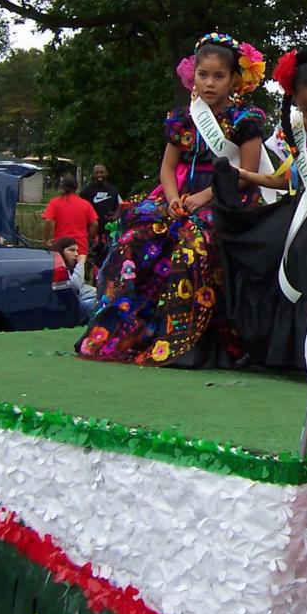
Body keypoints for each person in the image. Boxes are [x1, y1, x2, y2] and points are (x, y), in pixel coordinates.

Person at [77, 33, 268, 367]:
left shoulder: (244, 120)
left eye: (218, 76)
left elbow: (246, 173)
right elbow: (167, 167)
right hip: (180, 196)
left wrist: (205, 197)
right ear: (192, 75)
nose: (209, 83)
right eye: (203, 75)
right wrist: (172, 199)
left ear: (234, 79)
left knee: (193, 242)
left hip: (226, 200)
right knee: (132, 239)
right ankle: (122, 332)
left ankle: (182, 340)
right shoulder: (183, 118)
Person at [210, 45, 307, 371]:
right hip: (301, 208)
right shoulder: (294, 133)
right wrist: (240, 175)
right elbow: (285, 181)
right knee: (259, 246)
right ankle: (278, 349)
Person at [80, 163, 121, 277]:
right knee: (89, 257)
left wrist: (115, 216)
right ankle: (85, 278)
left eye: (101, 172)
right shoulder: (86, 191)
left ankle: (102, 279)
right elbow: (80, 208)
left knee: (106, 257)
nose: (99, 175)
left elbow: (119, 207)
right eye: (96, 172)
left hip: (108, 232)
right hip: (92, 231)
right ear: (93, 175)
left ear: (106, 173)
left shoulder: (113, 189)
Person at [42, 175, 98, 255]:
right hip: (80, 247)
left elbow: (48, 221)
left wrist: (46, 240)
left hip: (61, 247)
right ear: (76, 188)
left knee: (61, 267)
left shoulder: (55, 202)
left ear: (62, 186)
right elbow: (95, 224)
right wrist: (87, 239)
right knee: (80, 266)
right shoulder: (85, 204)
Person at [52, 236, 97, 317]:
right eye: (71, 250)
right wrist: (81, 262)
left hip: (94, 296)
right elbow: (75, 285)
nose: (76, 254)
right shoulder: (60, 270)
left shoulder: (71, 269)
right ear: (61, 252)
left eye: (77, 251)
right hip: (84, 302)